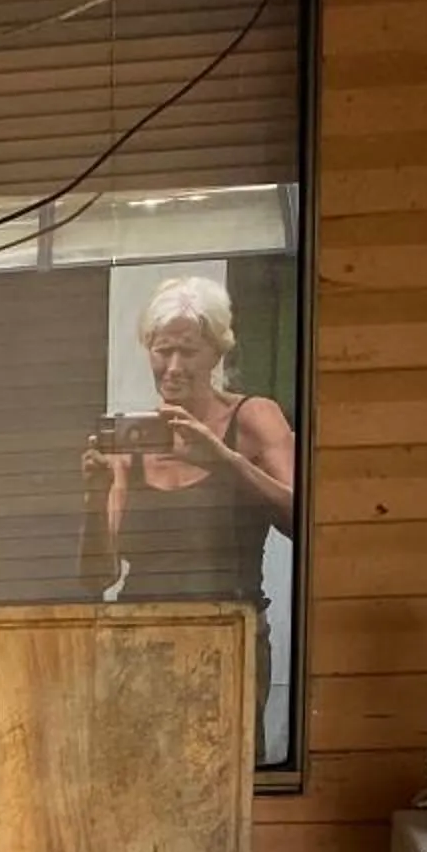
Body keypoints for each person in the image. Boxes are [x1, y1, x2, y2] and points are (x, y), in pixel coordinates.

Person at [80, 273, 298, 751]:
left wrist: (226, 461)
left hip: (227, 636)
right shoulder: (131, 442)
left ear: (217, 352)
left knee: (225, 774)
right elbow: (97, 576)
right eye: (162, 350)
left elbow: (304, 522)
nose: (173, 366)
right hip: (140, 639)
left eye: (189, 350)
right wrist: (95, 500)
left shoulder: (253, 419)